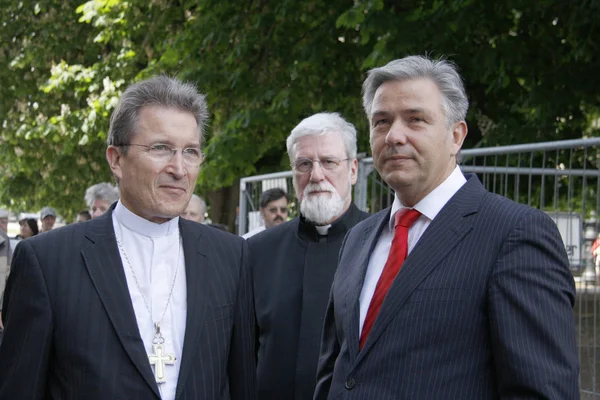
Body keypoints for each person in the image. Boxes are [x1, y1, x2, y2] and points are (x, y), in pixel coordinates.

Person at [314, 56, 579, 399]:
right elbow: (337, 369)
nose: (394, 135)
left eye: (416, 119)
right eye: (381, 122)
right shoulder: (359, 238)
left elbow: (543, 391)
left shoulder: (514, 234)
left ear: (456, 136)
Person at [0, 76, 256, 400]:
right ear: (116, 159)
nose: (179, 168)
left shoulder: (231, 256)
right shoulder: (47, 261)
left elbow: (242, 384)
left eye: (190, 152)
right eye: (161, 148)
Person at [248, 112, 369, 399]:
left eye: (328, 161)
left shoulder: (382, 243)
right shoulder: (257, 252)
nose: (316, 175)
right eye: (304, 164)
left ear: (352, 170)